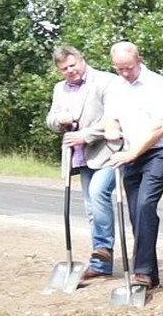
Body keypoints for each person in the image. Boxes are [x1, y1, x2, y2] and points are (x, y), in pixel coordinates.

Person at [103, 41, 163, 290]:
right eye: (119, 69)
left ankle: (141, 270)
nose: (125, 73)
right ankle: (150, 275)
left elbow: (159, 127)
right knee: (136, 213)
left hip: (157, 153)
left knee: (145, 205)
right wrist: (111, 130)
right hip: (129, 156)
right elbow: (110, 118)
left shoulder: (158, 84)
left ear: (139, 60)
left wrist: (133, 152)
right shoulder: (115, 87)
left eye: (129, 68)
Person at [45, 46, 117, 281]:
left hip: (108, 152)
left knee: (98, 194)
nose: (70, 71)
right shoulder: (60, 89)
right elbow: (51, 119)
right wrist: (59, 119)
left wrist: (86, 135)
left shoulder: (106, 81)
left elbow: (114, 119)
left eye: (72, 65)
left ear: (82, 60)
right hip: (80, 156)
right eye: (64, 68)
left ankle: (103, 248)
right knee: (91, 208)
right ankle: (101, 264)